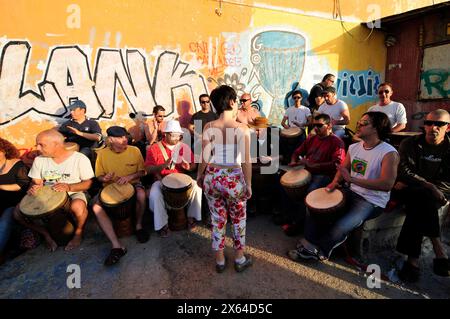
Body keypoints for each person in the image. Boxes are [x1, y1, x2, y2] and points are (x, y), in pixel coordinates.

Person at [288, 112, 399, 261]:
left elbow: (387, 184)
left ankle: (322, 250)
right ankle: (309, 243)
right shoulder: (354, 147)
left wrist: (352, 180)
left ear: (376, 128)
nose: (358, 124)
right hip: (351, 191)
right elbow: (342, 169)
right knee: (313, 205)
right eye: (359, 121)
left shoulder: (388, 152)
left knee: (341, 226)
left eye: (364, 123)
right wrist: (334, 184)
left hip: (372, 201)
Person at [197, 85, 253, 273]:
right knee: (238, 220)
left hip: (212, 176)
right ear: (230, 102)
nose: (237, 104)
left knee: (217, 219)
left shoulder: (209, 126)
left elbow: (204, 156)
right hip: (233, 179)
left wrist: (199, 175)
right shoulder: (242, 128)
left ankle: (220, 261)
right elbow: (246, 161)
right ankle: (239, 258)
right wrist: (249, 184)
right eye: (236, 100)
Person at [13, 129, 93, 251]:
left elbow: (87, 183)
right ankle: (46, 235)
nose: (38, 148)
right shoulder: (40, 160)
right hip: (46, 194)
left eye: (41, 145)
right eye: (37, 144)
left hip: (74, 191)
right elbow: (36, 182)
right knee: (18, 213)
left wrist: (69, 187)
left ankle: (78, 233)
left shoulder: (79, 159)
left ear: (56, 144)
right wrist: (33, 188)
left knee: (77, 206)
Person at [395, 109, 450, 282]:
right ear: (424, 126)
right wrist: (429, 186)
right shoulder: (410, 143)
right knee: (424, 196)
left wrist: (433, 189)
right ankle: (438, 249)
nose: (433, 127)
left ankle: (413, 262)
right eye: (429, 123)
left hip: (434, 193)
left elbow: (448, 180)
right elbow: (403, 171)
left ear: (447, 128)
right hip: (410, 190)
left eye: (439, 124)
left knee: (420, 203)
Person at [92, 126, 149, 266]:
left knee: (141, 195)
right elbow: (98, 176)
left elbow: (143, 172)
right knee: (95, 207)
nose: (125, 139)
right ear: (110, 139)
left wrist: (130, 177)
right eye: (120, 137)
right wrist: (104, 179)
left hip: (133, 184)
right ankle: (116, 245)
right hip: (110, 188)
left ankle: (138, 226)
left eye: (125, 136)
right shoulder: (102, 154)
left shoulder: (134, 150)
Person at [280, 114, 346, 235]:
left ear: (329, 125)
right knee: (284, 185)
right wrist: (294, 161)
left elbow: (337, 164)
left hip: (324, 175)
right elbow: (297, 152)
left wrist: (313, 166)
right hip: (308, 171)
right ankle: (287, 216)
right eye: (314, 125)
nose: (316, 128)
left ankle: (298, 225)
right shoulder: (312, 139)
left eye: (319, 125)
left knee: (308, 192)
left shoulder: (337, 142)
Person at [145, 120, 202, 237]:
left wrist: (189, 167)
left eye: (179, 135)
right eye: (173, 135)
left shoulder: (184, 147)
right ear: (165, 134)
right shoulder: (154, 148)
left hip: (181, 180)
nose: (177, 138)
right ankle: (162, 225)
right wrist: (163, 166)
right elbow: (148, 169)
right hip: (161, 180)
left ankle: (191, 217)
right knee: (155, 194)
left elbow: (193, 165)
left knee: (197, 187)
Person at [0, 138, 30, 263]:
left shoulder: (17, 164)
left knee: (4, 224)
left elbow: (23, 185)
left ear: (4, 150)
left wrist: (1, 187)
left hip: (13, 204)